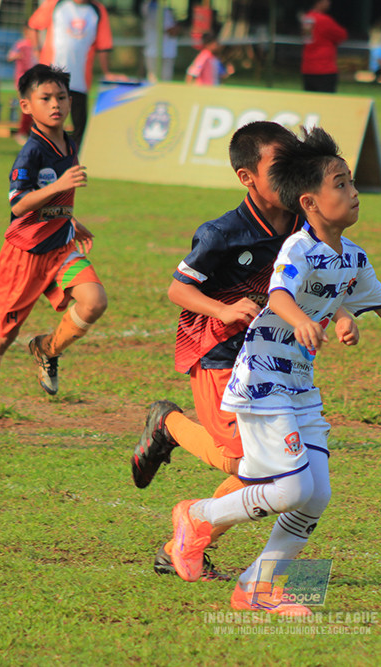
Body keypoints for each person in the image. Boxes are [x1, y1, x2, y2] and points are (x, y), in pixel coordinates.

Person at [167, 126, 381, 614]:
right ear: (311, 203)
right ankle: (197, 516)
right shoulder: (295, 248)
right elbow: (280, 293)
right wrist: (301, 322)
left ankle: (255, 588)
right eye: (340, 184)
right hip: (262, 378)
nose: (353, 192)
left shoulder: (354, 257)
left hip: (299, 384)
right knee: (292, 486)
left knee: (315, 496)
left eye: (351, 182)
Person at [131, 122, 309, 580]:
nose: (292, 174)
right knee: (254, 464)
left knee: (267, 467)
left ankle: (178, 548)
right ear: (247, 177)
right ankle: (168, 426)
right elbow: (177, 289)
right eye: (279, 166)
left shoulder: (302, 224)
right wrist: (223, 307)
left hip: (270, 357)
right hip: (217, 355)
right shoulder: (223, 233)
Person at [0, 64, 108, 434]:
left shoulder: (68, 142)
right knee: (4, 335)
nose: (55, 104)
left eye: (61, 97)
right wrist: (60, 188)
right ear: (26, 106)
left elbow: (52, 201)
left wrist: (70, 219)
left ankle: (47, 349)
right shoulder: (31, 153)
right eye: (45, 98)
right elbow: (19, 204)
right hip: (25, 255)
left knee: (94, 301)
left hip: (59, 247)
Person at [30, 0, 113, 145]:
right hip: (51, 75)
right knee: (46, 118)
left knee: (80, 123)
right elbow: (34, 25)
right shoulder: (56, 4)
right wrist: (36, 50)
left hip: (79, 78)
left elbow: (104, 45)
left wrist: (107, 71)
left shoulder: (97, 10)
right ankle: (41, 152)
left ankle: (74, 157)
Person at [300, 0, 346, 93]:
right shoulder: (324, 20)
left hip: (308, 67)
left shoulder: (307, 19)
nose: (329, 3)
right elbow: (342, 34)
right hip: (324, 67)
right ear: (319, 2)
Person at [7, 23, 39, 144]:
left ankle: (30, 132)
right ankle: (22, 132)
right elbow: (10, 56)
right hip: (23, 79)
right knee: (28, 104)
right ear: (26, 31)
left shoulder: (38, 46)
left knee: (36, 106)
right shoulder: (21, 44)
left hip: (36, 79)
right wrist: (16, 55)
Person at [141, 0, 179, 82]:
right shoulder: (158, 9)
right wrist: (178, 23)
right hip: (161, 52)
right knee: (162, 84)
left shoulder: (147, 6)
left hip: (156, 51)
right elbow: (172, 31)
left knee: (154, 82)